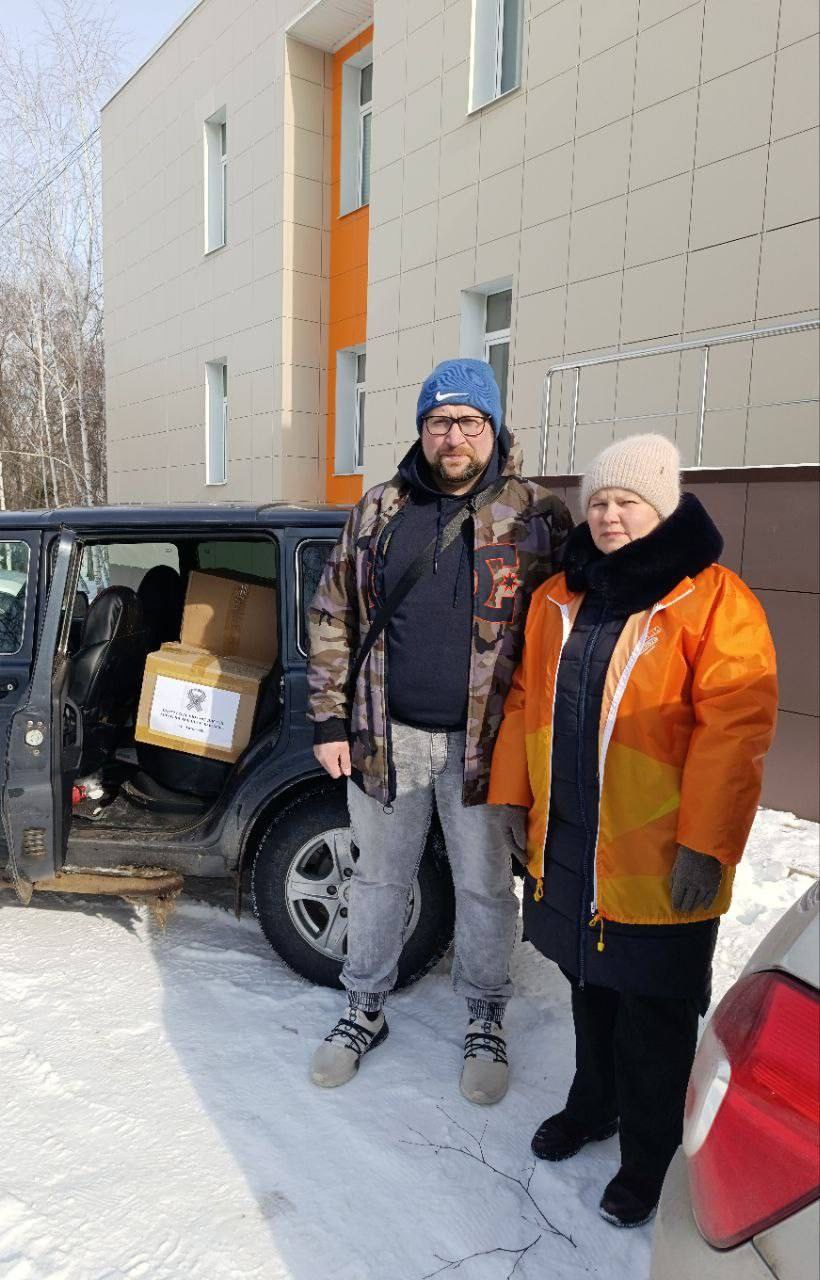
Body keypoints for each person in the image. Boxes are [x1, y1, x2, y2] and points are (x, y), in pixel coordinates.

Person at [488, 434, 778, 1226]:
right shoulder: (560, 598)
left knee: (653, 1009)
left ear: (664, 506)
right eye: (601, 503)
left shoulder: (714, 601)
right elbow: (524, 703)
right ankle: (594, 1105)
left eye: (628, 502)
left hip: (661, 850)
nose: (611, 516)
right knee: (590, 987)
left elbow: (737, 730)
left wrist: (708, 845)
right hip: (576, 840)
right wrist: (515, 797)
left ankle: (651, 1155)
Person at [305, 358, 572, 1101]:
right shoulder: (380, 509)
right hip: (385, 734)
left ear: (493, 427)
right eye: (438, 422)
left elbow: (572, 622)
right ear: (422, 430)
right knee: (379, 877)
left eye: (467, 421)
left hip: (490, 744)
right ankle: (363, 1006)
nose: (453, 436)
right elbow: (333, 614)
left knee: (485, 886)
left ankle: (486, 1016)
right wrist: (329, 718)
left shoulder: (538, 516)